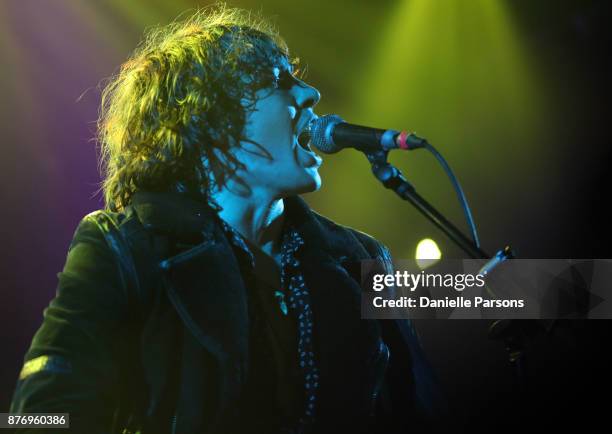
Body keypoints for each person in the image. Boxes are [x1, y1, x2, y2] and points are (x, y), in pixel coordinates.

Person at [10, 6, 440, 434]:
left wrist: (503, 288)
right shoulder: (125, 248)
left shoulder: (360, 257)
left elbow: (420, 407)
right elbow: (39, 413)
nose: (309, 94)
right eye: (277, 80)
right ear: (209, 118)